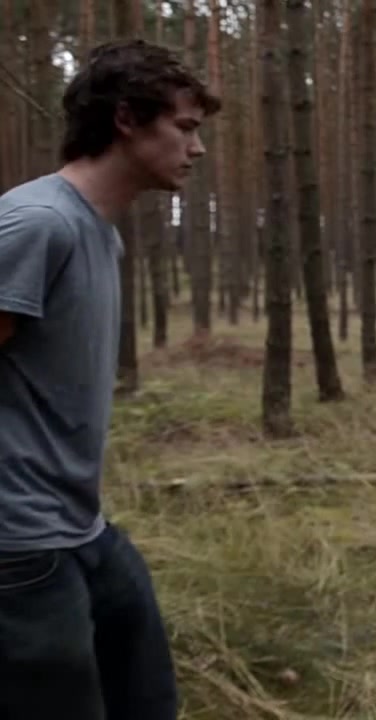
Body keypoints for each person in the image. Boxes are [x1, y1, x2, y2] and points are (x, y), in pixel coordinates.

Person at [0, 40, 219, 719]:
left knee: (147, 694)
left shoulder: (96, 229)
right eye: (185, 127)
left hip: (77, 527)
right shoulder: (38, 224)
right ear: (126, 118)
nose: (198, 148)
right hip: (18, 545)